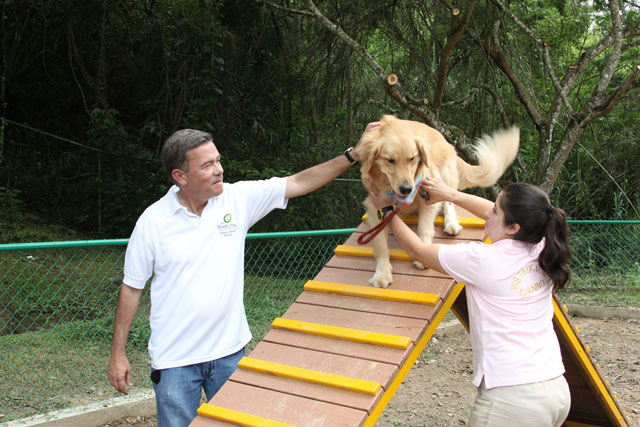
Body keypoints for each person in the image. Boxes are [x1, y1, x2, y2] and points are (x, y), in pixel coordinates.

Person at [107, 127, 365, 426]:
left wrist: (353, 155)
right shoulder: (153, 221)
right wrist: (118, 354)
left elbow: (298, 182)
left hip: (230, 353)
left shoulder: (236, 199)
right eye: (207, 165)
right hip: (175, 361)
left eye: (217, 160)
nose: (219, 170)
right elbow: (132, 289)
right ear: (180, 176)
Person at [369, 173, 572, 427]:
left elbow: (418, 251)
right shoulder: (541, 244)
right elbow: (500, 214)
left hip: (512, 400)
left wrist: (386, 211)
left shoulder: (482, 259)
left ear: (513, 228)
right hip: (556, 389)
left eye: (495, 211)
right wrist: (448, 195)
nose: (488, 213)